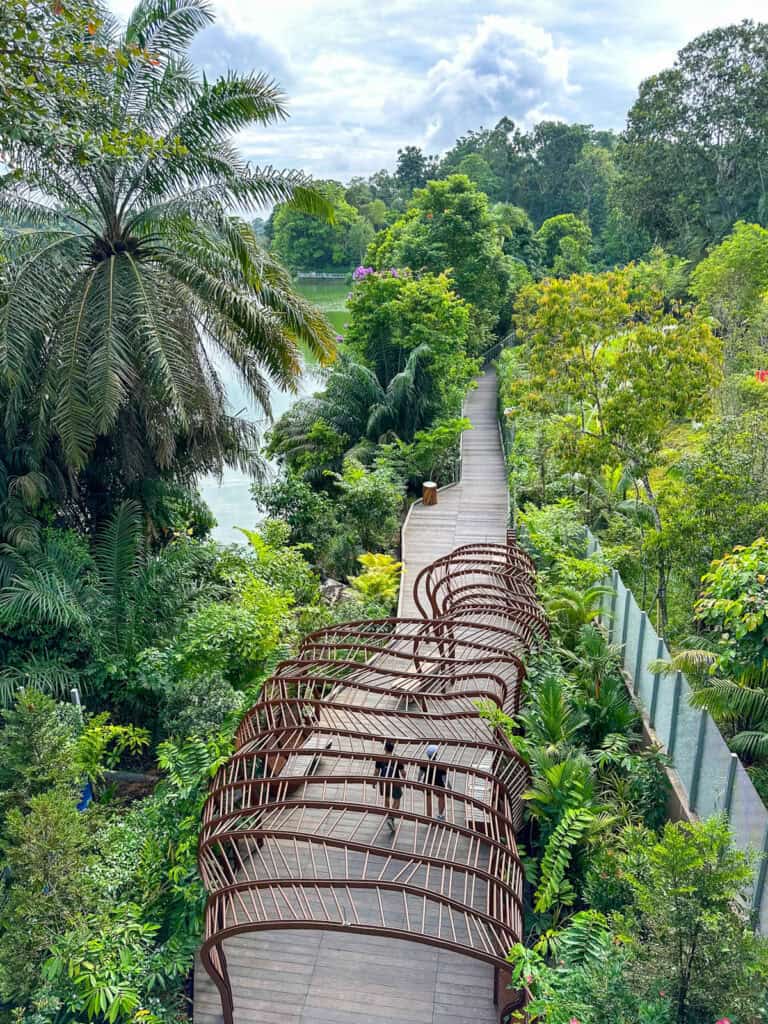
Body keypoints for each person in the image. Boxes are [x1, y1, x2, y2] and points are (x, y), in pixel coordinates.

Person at [374, 739, 404, 832]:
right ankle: (391, 817)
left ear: (385, 748)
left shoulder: (380, 758)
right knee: (397, 800)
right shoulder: (397, 758)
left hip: (384, 781)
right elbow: (403, 773)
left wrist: (374, 781)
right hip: (395, 781)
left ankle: (388, 815)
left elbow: (376, 771)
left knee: (387, 798)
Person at [419, 743, 448, 821]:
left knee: (428, 799)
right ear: (436, 754)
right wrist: (449, 786)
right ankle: (440, 815)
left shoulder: (424, 764)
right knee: (442, 797)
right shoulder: (441, 765)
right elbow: (444, 778)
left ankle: (429, 817)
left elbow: (420, 775)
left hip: (427, 783)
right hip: (438, 783)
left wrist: (419, 782)